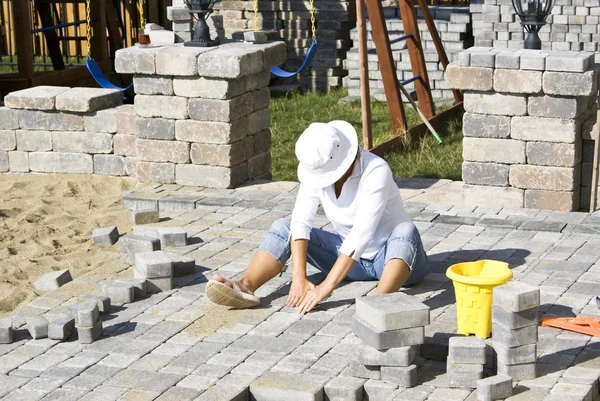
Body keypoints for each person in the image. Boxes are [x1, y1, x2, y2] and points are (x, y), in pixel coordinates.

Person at [205, 120, 428, 314]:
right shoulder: (318, 168)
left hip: (396, 261)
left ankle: (378, 304)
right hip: (352, 262)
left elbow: (362, 234)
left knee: (405, 230)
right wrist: (299, 278)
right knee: (285, 226)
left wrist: (326, 287)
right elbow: (301, 221)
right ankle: (244, 286)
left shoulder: (376, 170)